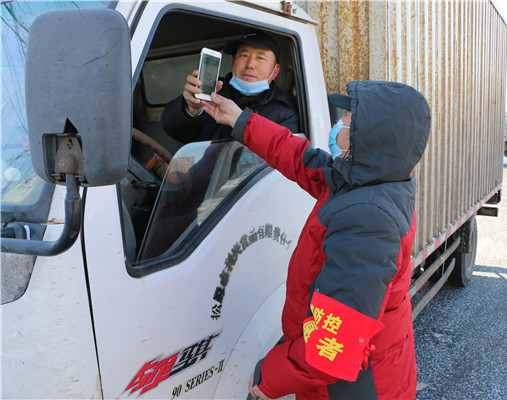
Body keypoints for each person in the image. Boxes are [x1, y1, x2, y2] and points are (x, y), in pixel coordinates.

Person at [202, 80, 431, 400]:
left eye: (349, 118)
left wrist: (268, 377)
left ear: (371, 136)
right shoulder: (368, 182)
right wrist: (241, 120)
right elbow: (298, 157)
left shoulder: (368, 220)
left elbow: (334, 348)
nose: (340, 123)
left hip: (352, 390)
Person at [160, 29, 298, 144]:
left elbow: (280, 156)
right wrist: (191, 110)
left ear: (275, 71)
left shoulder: (284, 111)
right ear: (233, 62)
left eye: (260, 58)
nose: (250, 64)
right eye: (244, 55)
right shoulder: (213, 90)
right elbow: (173, 130)